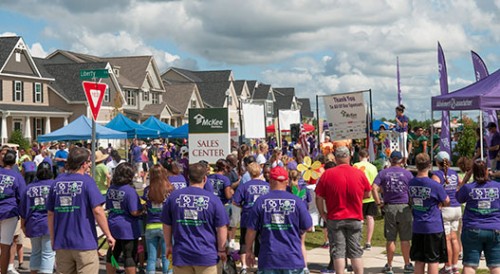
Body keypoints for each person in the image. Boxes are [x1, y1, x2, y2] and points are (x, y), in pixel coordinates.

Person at [47, 147, 115, 273]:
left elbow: (50, 214)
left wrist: (53, 238)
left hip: (62, 242)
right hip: (84, 242)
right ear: (83, 164)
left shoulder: (56, 183)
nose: (90, 164)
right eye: (89, 162)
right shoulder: (87, 182)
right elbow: (98, 210)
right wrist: (108, 235)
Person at [162, 163, 229, 274]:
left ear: (188, 177)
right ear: (205, 179)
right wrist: (222, 250)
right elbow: (222, 227)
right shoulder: (214, 200)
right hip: (206, 255)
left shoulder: (173, 197)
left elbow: (166, 224)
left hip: (182, 254)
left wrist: (168, 244)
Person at [245, 166, 312, 273]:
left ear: (270, 181)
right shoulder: (297, 201)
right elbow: (308, 226)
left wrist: (248, 251)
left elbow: (251, 230)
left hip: (269, 259)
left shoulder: (261, 201)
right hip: (292, 258)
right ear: (287, 181)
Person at [315, 146, 371, 274]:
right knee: (355, 251)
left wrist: (322, 213)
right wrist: (358, 198)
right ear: (349, 157)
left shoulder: (328, 174)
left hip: (335, 217)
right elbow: (368, 193)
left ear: (335, 158)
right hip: (355, 216)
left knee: (338, 251)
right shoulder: (358, 173)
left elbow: (318, 196)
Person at [372, 151, 414, 274]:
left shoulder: (383, 173)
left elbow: (374, 187)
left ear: (390, 160)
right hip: (404, 207)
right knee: (405, 238)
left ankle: (389, 265)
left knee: (390, 238)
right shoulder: (407, 174)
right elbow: (412, 189)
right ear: (401, 160)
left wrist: (378, 202)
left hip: (389, 206)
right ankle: (407, 264)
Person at [457, 159, 500, 274]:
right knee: (495, 266)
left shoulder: (468, 188)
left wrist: (465, 179)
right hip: (494, 229)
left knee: (470, 265)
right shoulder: (498, 187)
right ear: (487, 171)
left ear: (473, 173)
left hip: (472, 228)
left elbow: (458, 197)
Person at [409, 153, 450, 274]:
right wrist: (441, 203)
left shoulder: (411, 183)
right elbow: (447, 201)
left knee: (419, 260)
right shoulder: (435, 185)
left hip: (418, 226)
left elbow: (411, 200)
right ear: (430, 166)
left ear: (416, 165)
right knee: (433, 260)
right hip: (433, 226)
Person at [105, 162, 143, 274]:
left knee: (113, 252)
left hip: (113, 224)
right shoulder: (129, 191)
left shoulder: (111, 188)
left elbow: (108, 206)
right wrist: (143, 209)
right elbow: (134, 211)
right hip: (128, 227)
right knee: (129, 255)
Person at [232, 162, 270, 274]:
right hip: (263, 216)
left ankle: (244, 266)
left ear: (249, 172)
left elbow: (235, 201)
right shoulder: (267, 186)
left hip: (248, 214)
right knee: (261, 240)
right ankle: (260, 265)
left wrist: (243, 206)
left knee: (244, 240)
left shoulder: (244, 186)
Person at [19, 162, 55, 274]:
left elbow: (24, 209)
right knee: (48, 253)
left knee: (35, 251)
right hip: (50, 224)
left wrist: (23, 225)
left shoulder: (29, 188)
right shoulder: (55, 186)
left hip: (33, 223)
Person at [431, 151, 462, 274]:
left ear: (437, 162)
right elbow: (460, 183)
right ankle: (455, 266)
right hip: (456, 208)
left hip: (445, 208)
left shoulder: (437, 175)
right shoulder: (454, 173)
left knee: (447, 239)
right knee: (455, 238)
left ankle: (447, 266)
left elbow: (434, 190)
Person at [143, 165, 175, 274]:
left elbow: (145, 205)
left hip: (151, 225)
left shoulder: (147, 190)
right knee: (167, 257)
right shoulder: (170, 189)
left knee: (151, 258)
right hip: (166, 226)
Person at [0, 150, 26, 274]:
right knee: (5, 246)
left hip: (7, 211)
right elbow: (22, 197)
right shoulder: (17, 177)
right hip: (9, 213)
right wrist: (24, 216)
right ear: (15, 162)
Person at [353, 149, 378, 251]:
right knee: (370, 218)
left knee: (358, 220)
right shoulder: (373, 167)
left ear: (359, 156)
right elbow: (376, 182)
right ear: (368, 156)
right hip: (370, 195)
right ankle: (368, 242)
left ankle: (357, 241)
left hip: (357, 195)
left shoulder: (355, 166)